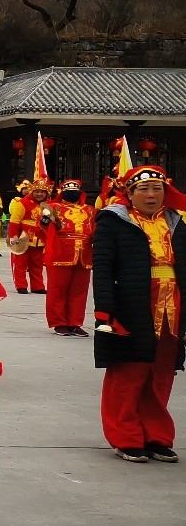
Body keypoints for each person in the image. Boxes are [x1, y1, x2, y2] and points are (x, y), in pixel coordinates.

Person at [93, 164, 185, 464]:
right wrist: (104, 311)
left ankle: (156, 435)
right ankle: (126, 436)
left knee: (161, 375)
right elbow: (103, 270)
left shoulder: (176, 223)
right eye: (143, 189)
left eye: (157, 189)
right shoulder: (113, 222)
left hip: (172, 307)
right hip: (132, 305)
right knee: (128, 373)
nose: (151, 195)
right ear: (129, 193)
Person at [45, 178, 95, 337]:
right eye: (68, 192)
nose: (72, 194)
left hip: (84, 253)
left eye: (75, 192)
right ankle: (58, 322)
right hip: (61, 251)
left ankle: (75, 322)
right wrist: (46, 219)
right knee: (58, 289)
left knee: (80, 290)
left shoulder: (90, 210)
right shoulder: (54, 208)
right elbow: (44, 227)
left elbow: (95, 229)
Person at [8, 179, 51, 294]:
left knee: (37, 265)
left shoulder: (48, 205)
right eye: (37, 191)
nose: (40, 194)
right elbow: (14, 221)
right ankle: (21, 285)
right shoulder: (22, 203)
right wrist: (13, 237)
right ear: (32, 191)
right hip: (23, 238)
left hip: (40, 240)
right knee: (20, 264)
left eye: (43, 192)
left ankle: (38, 286)